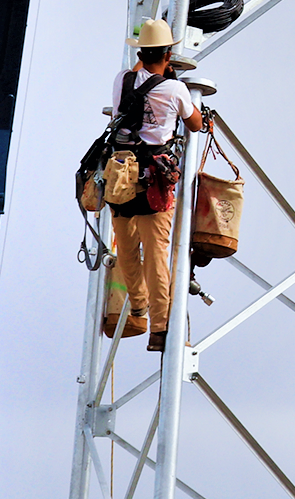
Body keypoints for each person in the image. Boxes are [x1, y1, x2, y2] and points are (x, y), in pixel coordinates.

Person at [109, 19, 206, 352]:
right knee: (156, 256)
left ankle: (137, 306)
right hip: (153, 180)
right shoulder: (174, 90)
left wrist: (152, 58)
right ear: (167, 53)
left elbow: (138, 73)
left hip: (120, 176)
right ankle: (160, 328)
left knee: (127, 250)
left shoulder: (123, 81)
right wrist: (170, 74)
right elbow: (195, 123)